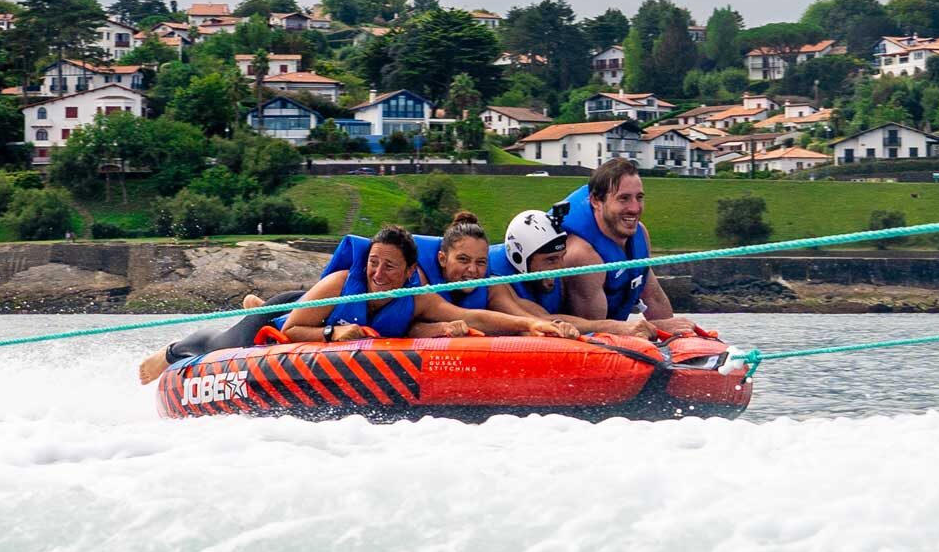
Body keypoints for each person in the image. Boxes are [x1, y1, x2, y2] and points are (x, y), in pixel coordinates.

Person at [137, 225, 568, 383]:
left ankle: (255, 301)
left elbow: (470, 316)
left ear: (410, 271)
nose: (380, 275)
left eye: (390, 268)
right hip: (292, 313)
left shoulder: (415, 295)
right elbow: (289, 333)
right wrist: (333, 333)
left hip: (314, 315)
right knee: (224, 341)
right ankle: (172, 352)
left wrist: (529, 327)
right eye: (375, 264)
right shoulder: (345, 281)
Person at [554, 158, 695, 334]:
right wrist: (659, 328)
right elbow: (595, 334)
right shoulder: (583, 256)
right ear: (596, 201)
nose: (635, 208)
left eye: (639, 198)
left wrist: (678, 336)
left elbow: (653, 297)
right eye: (624, 199)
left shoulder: (640, 234)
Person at [486, 209, 648, 336]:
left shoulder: (549, 277)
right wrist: (616, 327)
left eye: (561, 257)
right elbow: (541, 319)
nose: (560, 268)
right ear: (519, 257)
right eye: (550, 260)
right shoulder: (496, 279)